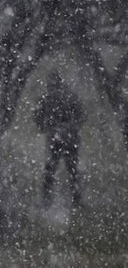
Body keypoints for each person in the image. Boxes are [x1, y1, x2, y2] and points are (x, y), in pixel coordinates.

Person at [33, 73, 84, 210]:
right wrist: (72, 127)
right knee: (72, 171)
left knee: (50, 171)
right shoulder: (70, 96)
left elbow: (37, 116)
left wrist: (46, 127)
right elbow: (81, 116)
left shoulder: (46, 97)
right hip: (70, 137)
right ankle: (76, 201)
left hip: (54, 138)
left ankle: (46, 201)